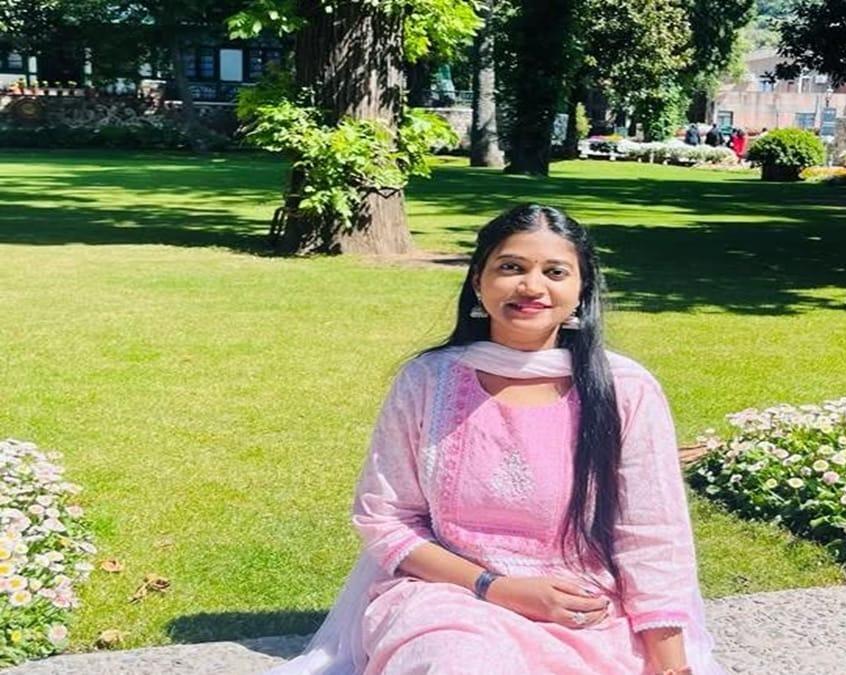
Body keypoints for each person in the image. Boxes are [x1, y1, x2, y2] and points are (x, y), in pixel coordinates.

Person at [267, 204, 725, 675]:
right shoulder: (429, 381)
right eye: (511, 267)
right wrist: (495, 587)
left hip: (582, 609)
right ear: (478, 282)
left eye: (555, 272)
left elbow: (653, 537)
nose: (531, 287)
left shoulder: (624, 390)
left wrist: (670, 666)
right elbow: (385, 518)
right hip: (447, 600)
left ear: (581, 289)